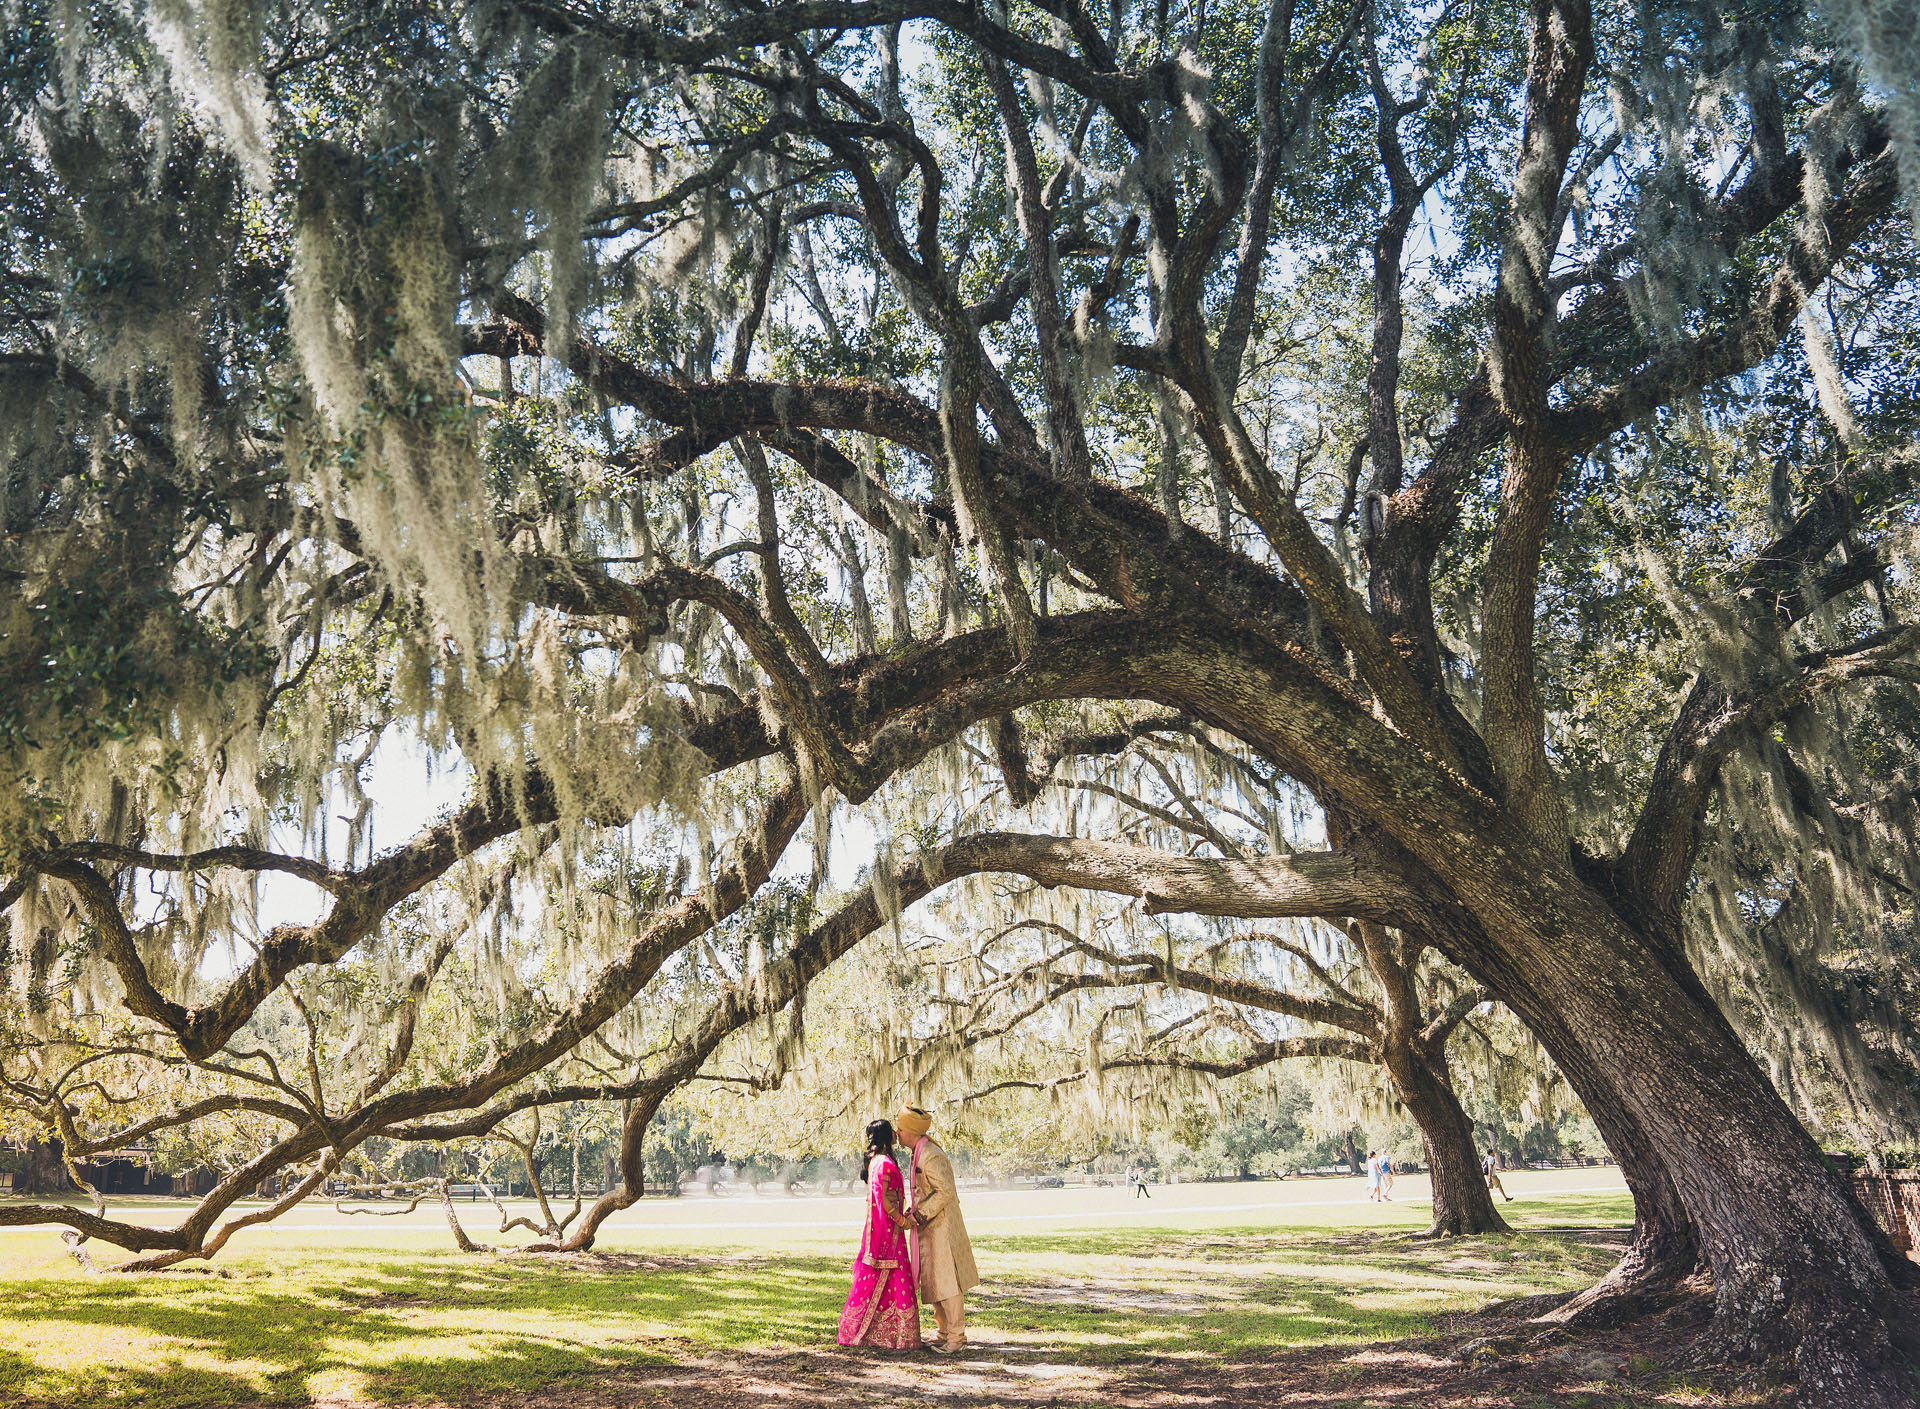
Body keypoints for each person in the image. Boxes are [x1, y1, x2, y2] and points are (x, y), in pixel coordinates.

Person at [897, 1104, 978, 1354]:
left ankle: (956, 1338)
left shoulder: (930, 1154)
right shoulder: (918, 1152)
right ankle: (943, 1333)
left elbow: (945, 1191)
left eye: (900, 1129)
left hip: (942, 1226)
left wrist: (920, 1214)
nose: (897, 1133)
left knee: (947, 1283)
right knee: (933, 1281)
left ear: (911, 1132)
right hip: (929, 1227)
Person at [836, 1119, 921, 1350]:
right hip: (888, 1234)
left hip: (886, 1231)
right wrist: (902, 1220)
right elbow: (884, 1199)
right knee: (890, 1278)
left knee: (887, 1282)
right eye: (892, 1129)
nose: (896, 1132)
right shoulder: (883, 1163)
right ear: (886, 1136)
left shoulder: (877, 1161)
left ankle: (885, 1334)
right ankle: (892, 1335)